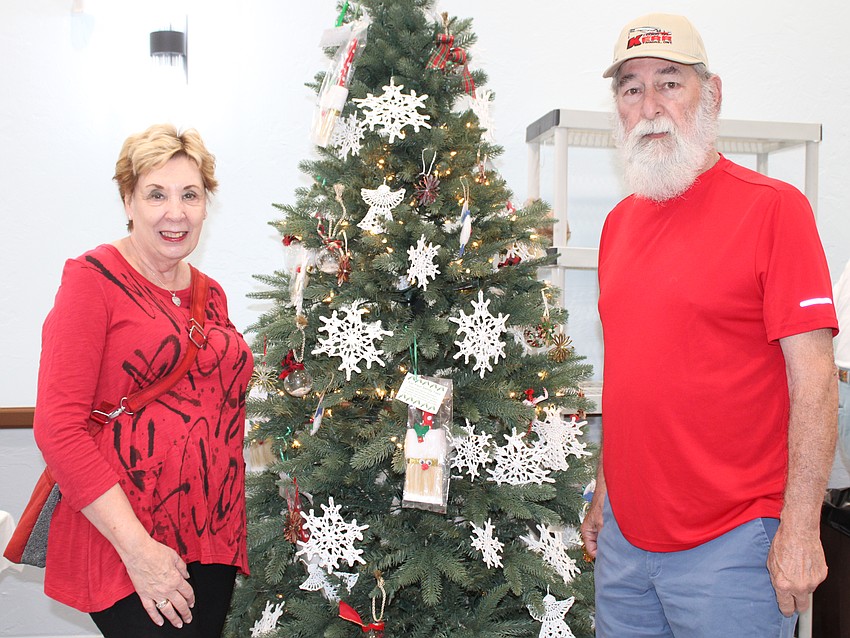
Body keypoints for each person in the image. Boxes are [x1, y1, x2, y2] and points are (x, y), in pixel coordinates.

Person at [579, 13, 838, 637]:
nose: (650, 105)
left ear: (712, 93)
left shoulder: (774, 211)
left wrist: (801, 528)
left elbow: (817, 381)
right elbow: (631, 369)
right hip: (625, 548)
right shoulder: (618, 226)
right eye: (631, 88)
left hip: (733, 550)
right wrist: (605, 485)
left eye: (670, 82)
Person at [32, 124, 253, 637]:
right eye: (157, 194)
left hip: (211, 532)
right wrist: (137, 550)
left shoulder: (210, 293)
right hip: (129, 536)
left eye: (190, 195)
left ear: (205, 206)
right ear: (128, 201)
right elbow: (58, 428)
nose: (175, 212)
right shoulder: (93, 280)